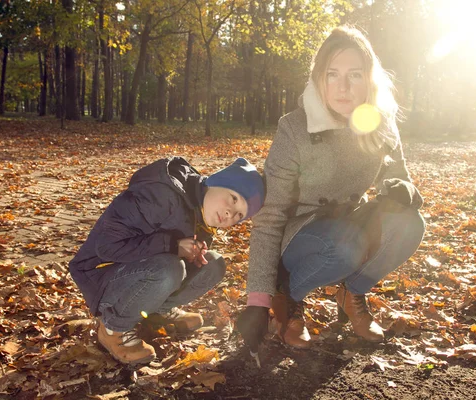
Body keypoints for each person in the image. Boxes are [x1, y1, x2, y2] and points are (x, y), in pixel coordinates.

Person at [236, 26, 425, 350]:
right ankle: (289, 300)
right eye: (332, 74)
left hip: (348, 220)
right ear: (318, 79)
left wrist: (400, 190)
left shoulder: (381, 123)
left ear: (369, 79)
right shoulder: (294, 128)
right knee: (345, 246)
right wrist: (258, 299)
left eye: (354, 75)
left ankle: (352, 293)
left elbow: (396, 176)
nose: (343, 87)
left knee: (410, 223)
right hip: (301, 233)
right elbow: (270, 217)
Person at [69, 156, 264, 365]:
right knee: (170, 269)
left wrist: (189, 254)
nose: (229, 213)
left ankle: (156, 313)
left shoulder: (201, 213)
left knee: (214, 263)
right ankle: (113, 328)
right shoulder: (162, 196)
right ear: (216, 182)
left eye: (238, 215)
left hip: (140, 273)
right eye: (233, 198)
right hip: (101, 275)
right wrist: (172, 246)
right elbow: (107, 246)